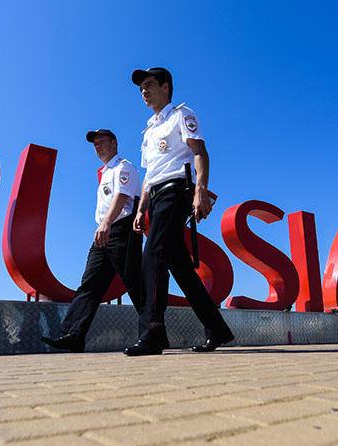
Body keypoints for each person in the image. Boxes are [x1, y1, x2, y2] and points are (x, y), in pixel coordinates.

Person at [124, 67, 235, 356]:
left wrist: (200, 190)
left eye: (149, 85)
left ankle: (153, 334)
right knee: (181, 269)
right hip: (157, 195)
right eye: (141, 88)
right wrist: (141, 208)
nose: (144, 91)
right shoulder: (148, 130)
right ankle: (217, 329)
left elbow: (199, 151)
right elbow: (149, 174)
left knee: (152, 258)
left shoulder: (181, 115)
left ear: (165, 87)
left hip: (177, 190)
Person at [41, 129, 142, 352]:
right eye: (94, 144)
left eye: (101, 142)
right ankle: (74, 335)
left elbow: (122, 197)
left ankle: (153, 331)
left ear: (114, 143)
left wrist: (106, 223)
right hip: (103, 231)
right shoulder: (104, 172)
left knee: (134, 282)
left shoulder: (123, 167)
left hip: (121, 229)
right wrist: (102, 226)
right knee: (90, 283)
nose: (97, 146)